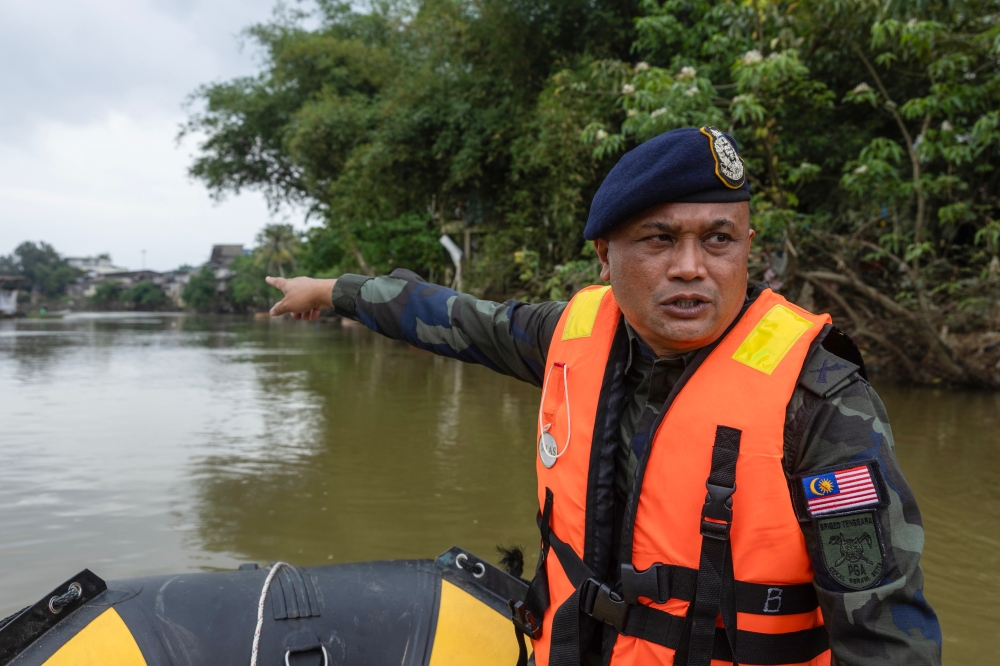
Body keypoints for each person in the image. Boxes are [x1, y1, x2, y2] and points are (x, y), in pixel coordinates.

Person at [265, 127, 941, 666]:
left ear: (748, 248)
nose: (690, 267)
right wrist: (332, 291)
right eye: (659, 238)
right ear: (603, 253)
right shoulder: (570, 336)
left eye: (718, 240)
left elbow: (884, 635)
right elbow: (451, 316)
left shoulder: (821, 402)